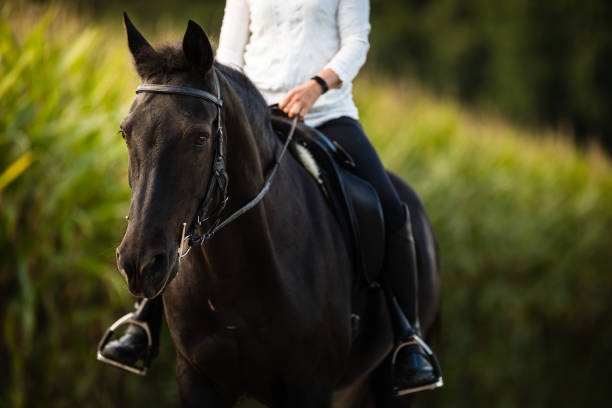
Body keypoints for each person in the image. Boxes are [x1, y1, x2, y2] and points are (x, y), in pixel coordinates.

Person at [100, 0, 441, 395]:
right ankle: (144, 320)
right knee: (185, 185)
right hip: (251, 114)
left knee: (390, 206)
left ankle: (407, 338)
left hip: (326, 112)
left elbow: (356, 43)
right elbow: (224, 56)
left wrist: (317, 86)